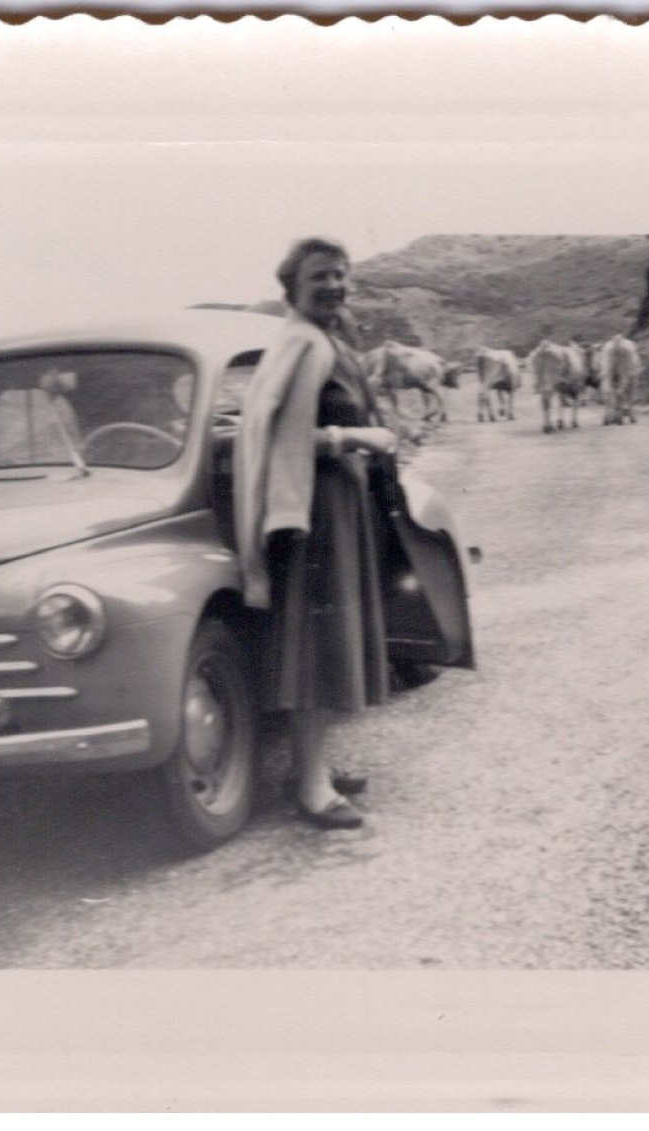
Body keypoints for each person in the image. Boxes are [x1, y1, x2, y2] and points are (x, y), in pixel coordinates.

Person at [233, 237, 399, 830]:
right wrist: (355, 440)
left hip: (339, 504)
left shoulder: (324, 339)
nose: (334, 286)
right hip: (315, 512)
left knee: (333, 642)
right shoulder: (300, 341)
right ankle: (309, 786)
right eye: (320, 277)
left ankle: (313, 766)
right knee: (315, 647)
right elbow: (279, 434)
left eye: (340, 276)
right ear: (292, 287)